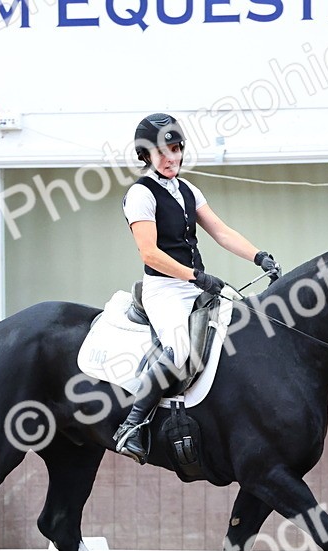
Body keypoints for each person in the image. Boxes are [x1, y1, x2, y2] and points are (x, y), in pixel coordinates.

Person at [113, 112, 282, 463]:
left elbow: (221, 231)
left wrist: (259, 256)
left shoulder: (188, 189)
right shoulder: (140, 194)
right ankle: (132, 425)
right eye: (161, 152)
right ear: (146, 155)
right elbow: (149, 252)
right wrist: (194, 276)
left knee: (245, 324)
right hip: (164, 290)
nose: (170, 157)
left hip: (194, 285)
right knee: (178, 353)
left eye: (175, 149)